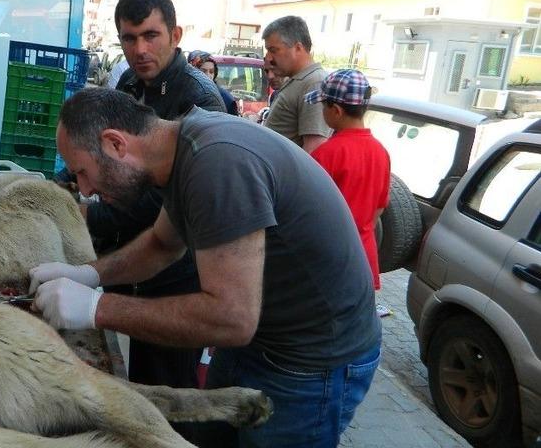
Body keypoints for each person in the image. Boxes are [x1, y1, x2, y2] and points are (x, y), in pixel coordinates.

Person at [30, 87, 381, 447]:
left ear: (116, 144)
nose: (86, 190)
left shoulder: (216, 163)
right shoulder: (182, 150)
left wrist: (96, 308)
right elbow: (161, 245)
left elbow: (231, 317)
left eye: (83, 173)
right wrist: (90, 274)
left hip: (309, 363)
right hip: (258, 342)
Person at [77, 0, 226, 399]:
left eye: (150, 35)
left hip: (177, 271)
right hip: (132, 261)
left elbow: (172, 201)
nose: (139, 49)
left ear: (175, 35)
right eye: (129, 38)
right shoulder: (127, 82)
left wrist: (93, 217)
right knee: (132, 380)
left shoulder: (200, 101)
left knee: (168, 391)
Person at [304, 69, 392, 317]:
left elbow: (311, 215)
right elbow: (379, 207)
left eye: (323, 106)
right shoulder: (380, 152)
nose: (322, 112)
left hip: (329, 262)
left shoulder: (326, 154)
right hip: (364, 258)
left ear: (336, 110)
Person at [262, 15, 332, 153]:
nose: (268, 58)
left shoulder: (314, 83)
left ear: (298, 48)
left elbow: (314, 148)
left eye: (273, 50)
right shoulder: (299, 80)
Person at [187, 50, 239, 115]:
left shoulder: (226, 98)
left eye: (211, 72)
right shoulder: (182, 92)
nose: (208, 75)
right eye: (203, 71)